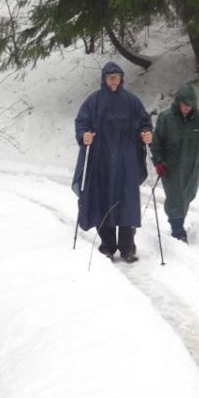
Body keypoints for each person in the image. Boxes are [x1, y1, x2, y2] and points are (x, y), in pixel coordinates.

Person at [73, 61, 153, 262]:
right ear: (104, 79)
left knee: (126, 202)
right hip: (101, 160)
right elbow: (81, 122)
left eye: (117, 77)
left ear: (121, 78)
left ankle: (128, 248)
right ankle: (108, 246)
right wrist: (84, 136)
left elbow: (144, 121)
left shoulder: (131, 101)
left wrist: (146, 133)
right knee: (103, 200)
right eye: (110, 77)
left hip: (127, 159)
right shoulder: (94, 101)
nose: (114, 81)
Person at [149, 84, 199, 242]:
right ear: (178, 102)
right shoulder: (166, 118)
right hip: (171, 165)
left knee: (188, 195)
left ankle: (178, 222)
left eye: (190, 106)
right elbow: (156, 143)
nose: (187, 108)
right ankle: (177, 230)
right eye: (184, 105)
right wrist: (158, 162)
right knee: (175, 196)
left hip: (194, 165)